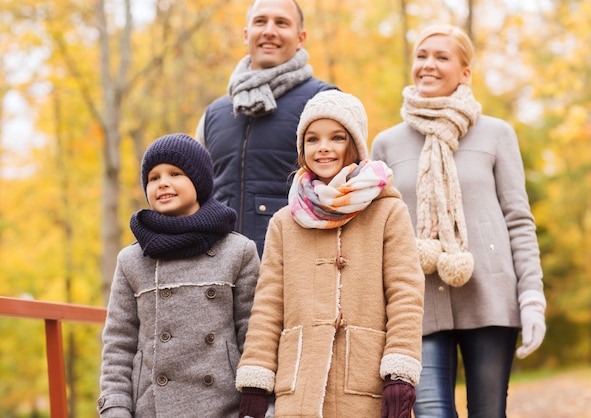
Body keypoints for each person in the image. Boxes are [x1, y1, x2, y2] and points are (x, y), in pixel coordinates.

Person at [371, 24, 547, 417]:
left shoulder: (497, 134)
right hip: (417, 302)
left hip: (490, 297)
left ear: (465, 72)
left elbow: (518, 219)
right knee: (432, 411)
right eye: (421, 56)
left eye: (441, 57)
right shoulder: (386, 143)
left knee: (488, 412)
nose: (428, 65)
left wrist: (532, 296)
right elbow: (380, 232)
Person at [234, 90, 425, 418]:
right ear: (302, 148)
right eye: (312, 139)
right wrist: (255, 378)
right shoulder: (284, 222)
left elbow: (406, 294)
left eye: (337, 137)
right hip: (299, 386)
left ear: (355, 145)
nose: (323, 147)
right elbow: (267, 306)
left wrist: (400, 372)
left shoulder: (388, 212)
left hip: (364, 382)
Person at [97, 133, 260, 417]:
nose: (163, 182)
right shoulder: (132, 260)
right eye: (153, 177)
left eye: (175, 173)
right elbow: (118, 344)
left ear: (198, 181)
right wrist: (115, 407)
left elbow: (253, 334)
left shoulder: (238, 251)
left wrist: (258, 403)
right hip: (151, 408)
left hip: (225, 405)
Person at [194, 0, 336, 257]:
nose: (269, 30)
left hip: (293, 267)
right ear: (246, 34)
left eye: (281, 23)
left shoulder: (323, 101)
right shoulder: (214, 113)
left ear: (300, 37)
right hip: (219, 274)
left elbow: (347, 191)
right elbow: (196, 199)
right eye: (261, 21)